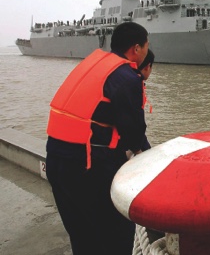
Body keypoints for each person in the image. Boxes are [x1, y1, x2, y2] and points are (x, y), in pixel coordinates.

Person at [46, 21, 149, 255]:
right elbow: (133, 133)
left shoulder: (93, 64)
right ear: (136, 49)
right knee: (117, 235)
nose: (146, 51)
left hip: (56, 159)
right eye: (146, 46)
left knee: (82, 235)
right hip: (87, 166)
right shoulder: (126, 75)